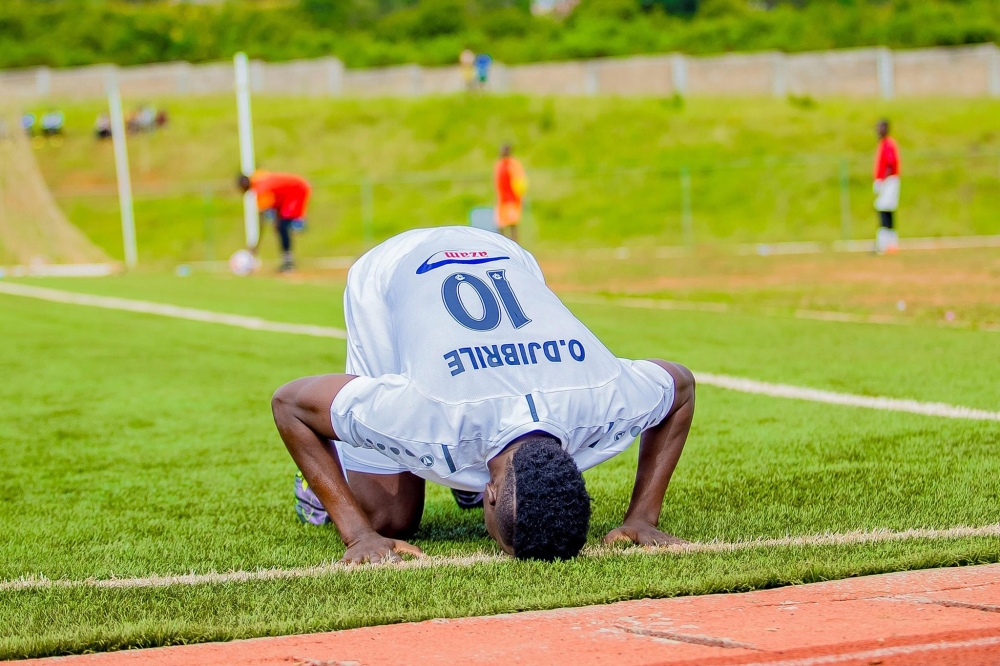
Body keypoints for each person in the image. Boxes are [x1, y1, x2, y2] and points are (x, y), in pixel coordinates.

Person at [271, 226, 696, 563]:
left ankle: (463, 476)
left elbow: (680, 386)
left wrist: (642, 517)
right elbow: (290, 404)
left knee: (404, 502)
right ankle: (323, 484)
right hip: (396, 268)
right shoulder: (427, 412)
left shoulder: (604, 397)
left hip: (503, 253)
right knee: (388, 519)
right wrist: (358, 533)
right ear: (491, 495)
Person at [237, 170, 311, 272]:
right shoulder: (257, 178)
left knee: (283, 225)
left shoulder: (260, 189)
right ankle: (287, 259)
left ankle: (289, 260)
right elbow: (276, 198)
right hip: (286, 195)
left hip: (297, 190)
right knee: (280, 226)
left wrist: (256, 245)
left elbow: (262, 221)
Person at [873, 119, 901, 255]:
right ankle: (890, 243)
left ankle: (884, 244)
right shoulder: (883, 143)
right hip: (887, 181)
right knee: (886, 210)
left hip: (889, 181)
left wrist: (882, 181)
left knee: (883, 209)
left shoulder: (888, 144)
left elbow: (890, 164)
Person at [494, 144, 528, 243]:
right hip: (502, 201)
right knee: (500, 225)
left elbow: (520, 181)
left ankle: (514, 246)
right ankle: (503, 245)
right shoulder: (499, 164)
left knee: (513, 224)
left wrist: (522, 196)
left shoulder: (513, 164)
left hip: (512, 200)